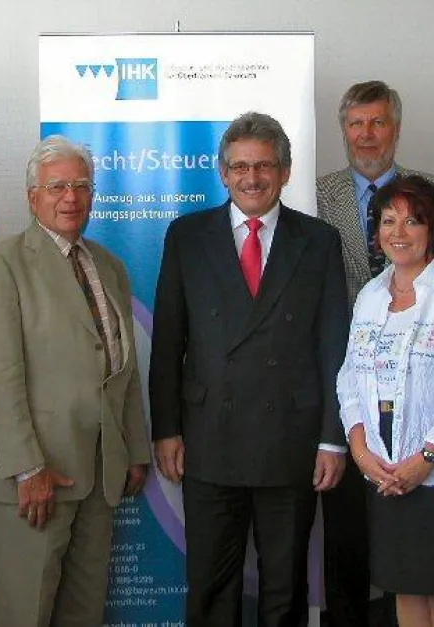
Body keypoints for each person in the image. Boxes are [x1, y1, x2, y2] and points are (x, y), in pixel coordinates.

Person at [150, 112, 350, 627]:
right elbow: (169, 340)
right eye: (240, 166)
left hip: (292, 438)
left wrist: (333, 439)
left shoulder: (320, 241)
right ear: (222, 173)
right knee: (213, 586)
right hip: (210, 436)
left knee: (285, 587)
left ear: (284, 171)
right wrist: (167, 428)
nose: (252, 177)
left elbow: (334, 345)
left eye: (264, 165)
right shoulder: (187, 237)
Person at [0, 135, 151, 627]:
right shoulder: (2, 264)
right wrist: (28, 468)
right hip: (38, 477)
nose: (70, 198)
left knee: (84, 613)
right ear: (33, 197)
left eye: (81, 186)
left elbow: (124, 370)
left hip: (101, 473)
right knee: (24, 613)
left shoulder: (108, 265)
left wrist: (134, 448)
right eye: (56, 187)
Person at [316, 79, 434, 626]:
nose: (367, 134)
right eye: (356, 123)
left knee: (422, 559)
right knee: (349, 539)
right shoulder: (317, 194)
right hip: (351, 390)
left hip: (423, 400)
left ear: (396, 128)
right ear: (343, 131)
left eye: (378, 122)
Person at [338, 175, 434, 627]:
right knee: (405, 589)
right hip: (386, 469)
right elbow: (350, 378)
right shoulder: (371, 295)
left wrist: (424, 460)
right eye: (389, 221)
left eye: (412, 221)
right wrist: (362, 451)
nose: (399, 232)